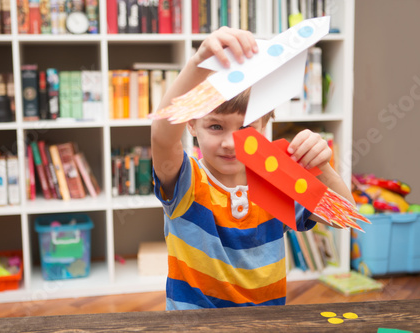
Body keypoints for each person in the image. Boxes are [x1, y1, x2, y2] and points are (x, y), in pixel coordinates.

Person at [151, 27, 355, 310]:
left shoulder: (278, 177)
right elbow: (161, 135)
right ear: (191, 123)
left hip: (266, 323)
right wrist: (197, 63)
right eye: (215, 126)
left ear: (267, 120)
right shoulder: (187, 181)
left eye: (246, 127)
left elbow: (344, 218)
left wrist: (324, 170)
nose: (231, 143)